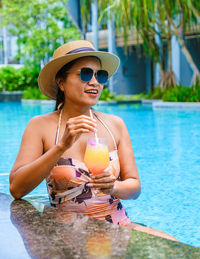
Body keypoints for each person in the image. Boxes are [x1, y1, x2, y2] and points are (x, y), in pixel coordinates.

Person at [9, 40, 176, 241]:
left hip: (117, 226)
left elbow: (134, 187)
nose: (95, 82)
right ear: (61, 82)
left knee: (173, 246)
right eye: (86, 74)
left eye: (101, 75)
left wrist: (114, 186)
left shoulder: (114, 124)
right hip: (69, 235)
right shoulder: (40, 126)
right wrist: (61, 146)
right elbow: (17, 189)